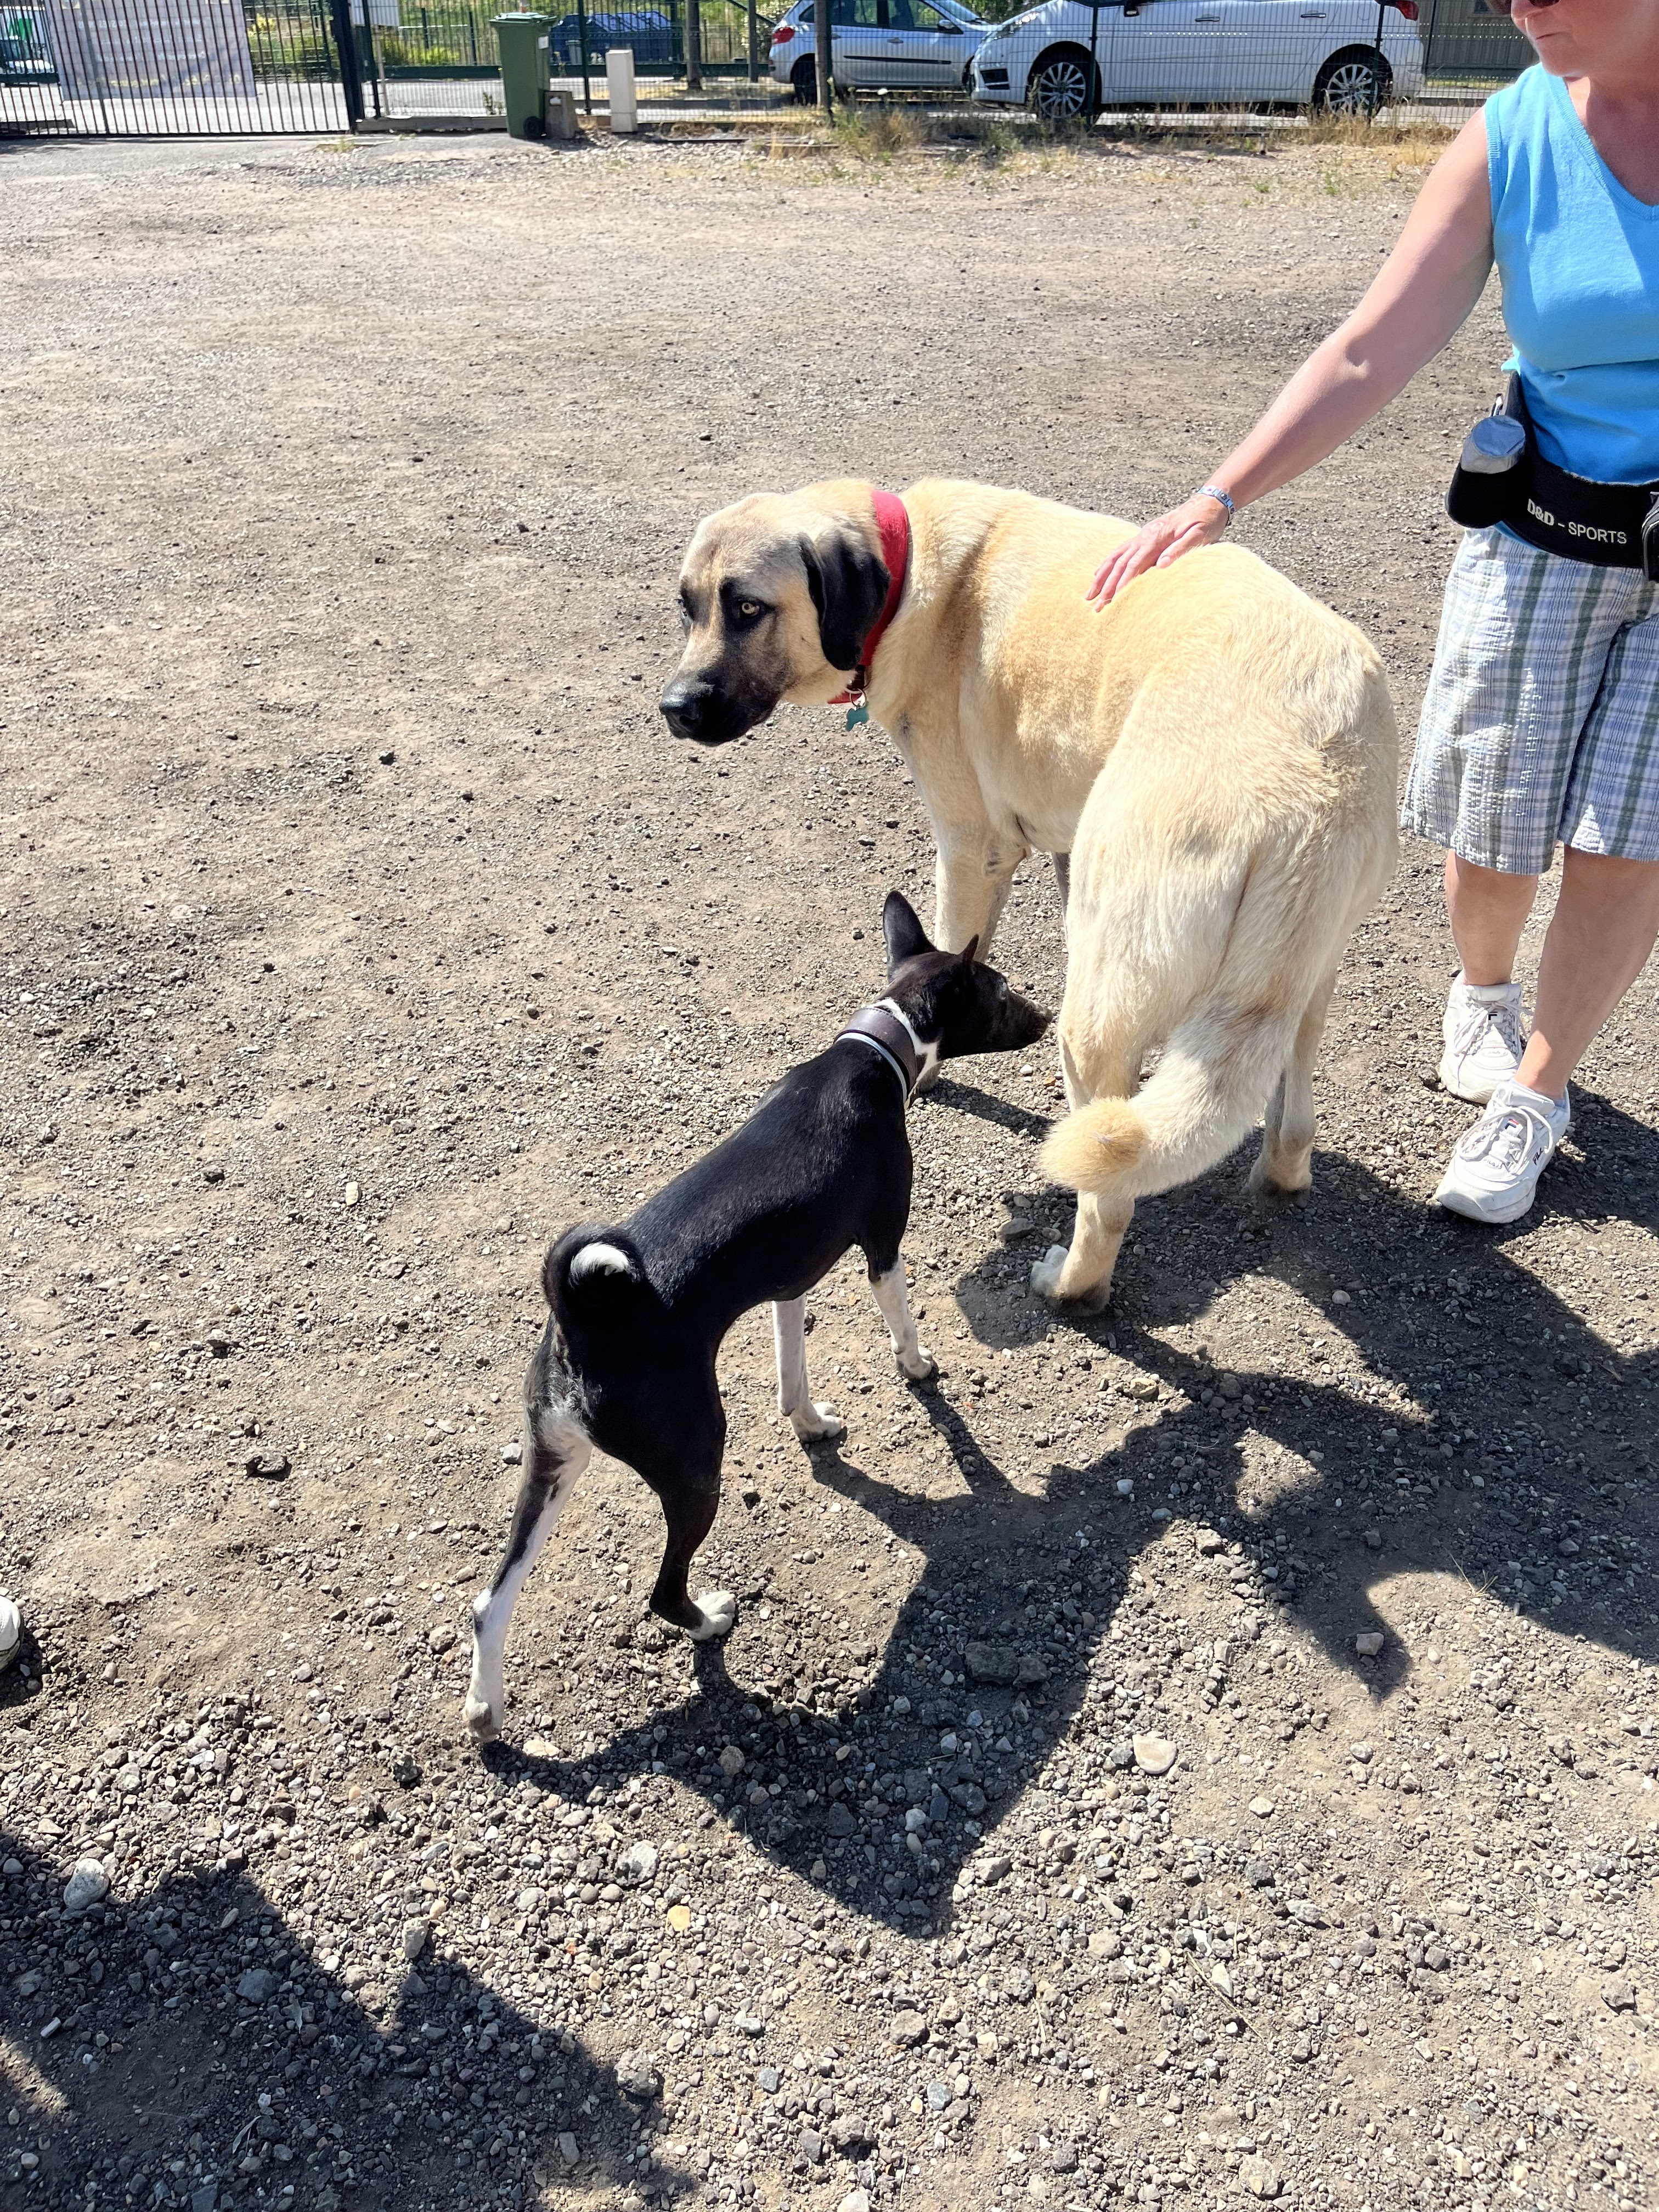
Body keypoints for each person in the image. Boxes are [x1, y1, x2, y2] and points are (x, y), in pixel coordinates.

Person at [1088, 0, 1659, 1227]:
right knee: (1493, 830)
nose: (1520, 5)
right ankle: (1484, 994)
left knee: (1629, 840)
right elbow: (1369, 347)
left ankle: (1536, 1095)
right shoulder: (1513, 136)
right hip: (1546, 530)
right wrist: (1219, 497)